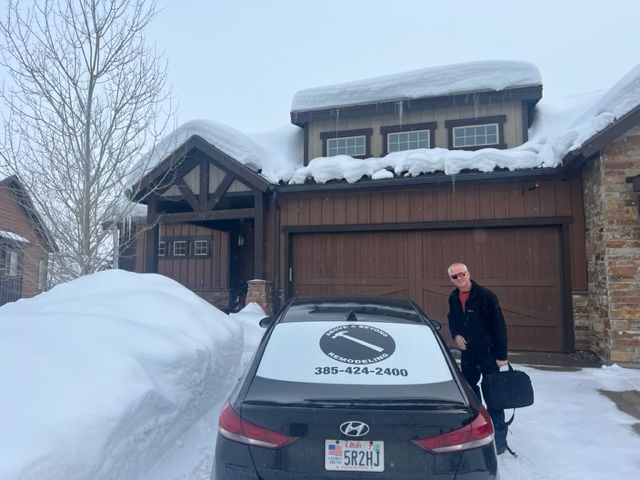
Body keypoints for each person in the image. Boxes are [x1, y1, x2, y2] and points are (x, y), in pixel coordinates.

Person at [446, 262, 510, 454]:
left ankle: (499, 442)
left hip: (489, 355)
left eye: (462, 274)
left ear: (468, 273)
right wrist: (456, 334)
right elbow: (452, 319)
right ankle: (478, 435)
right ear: (451, 279)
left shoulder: (486, 296)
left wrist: (501, 356)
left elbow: (499, 326)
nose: (459, 278)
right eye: (455, 276)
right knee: (471, 396)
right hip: (469, 355)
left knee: (494, 398)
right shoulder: (453, 297)